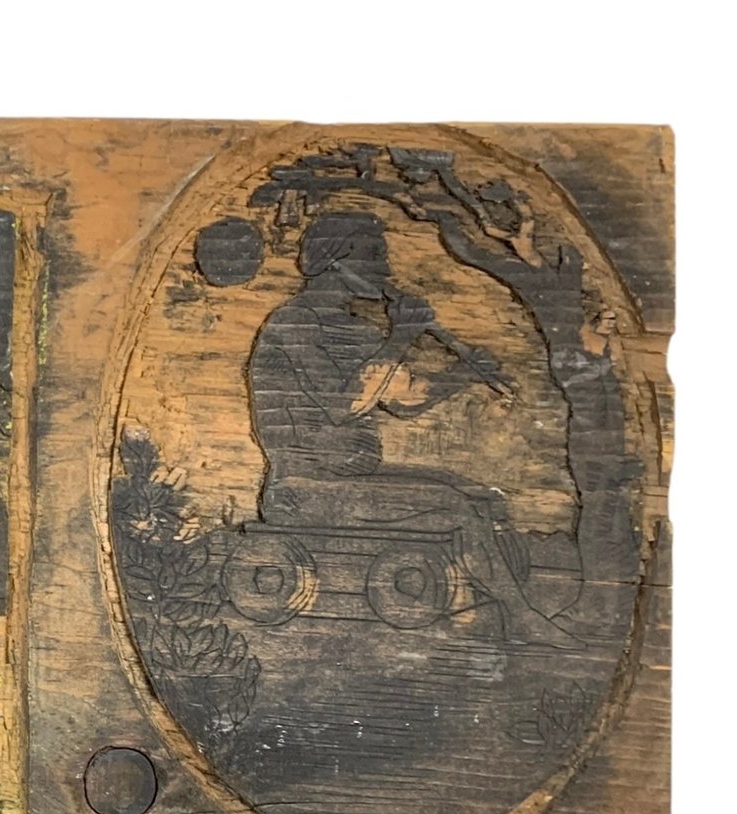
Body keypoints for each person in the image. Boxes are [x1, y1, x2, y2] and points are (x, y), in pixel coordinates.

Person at [246, 210, 578, 647]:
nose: (385, 269)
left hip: (349, 479)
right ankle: (521, 617)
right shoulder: (293, 324)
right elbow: (342, 406)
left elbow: (404, 400)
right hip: (303, 487)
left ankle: (476, 607)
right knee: (456, 507)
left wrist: (465, 372)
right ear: (336, 260)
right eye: (374, 256)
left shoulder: (359, 331)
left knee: (480, 496)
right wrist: (401, 335)